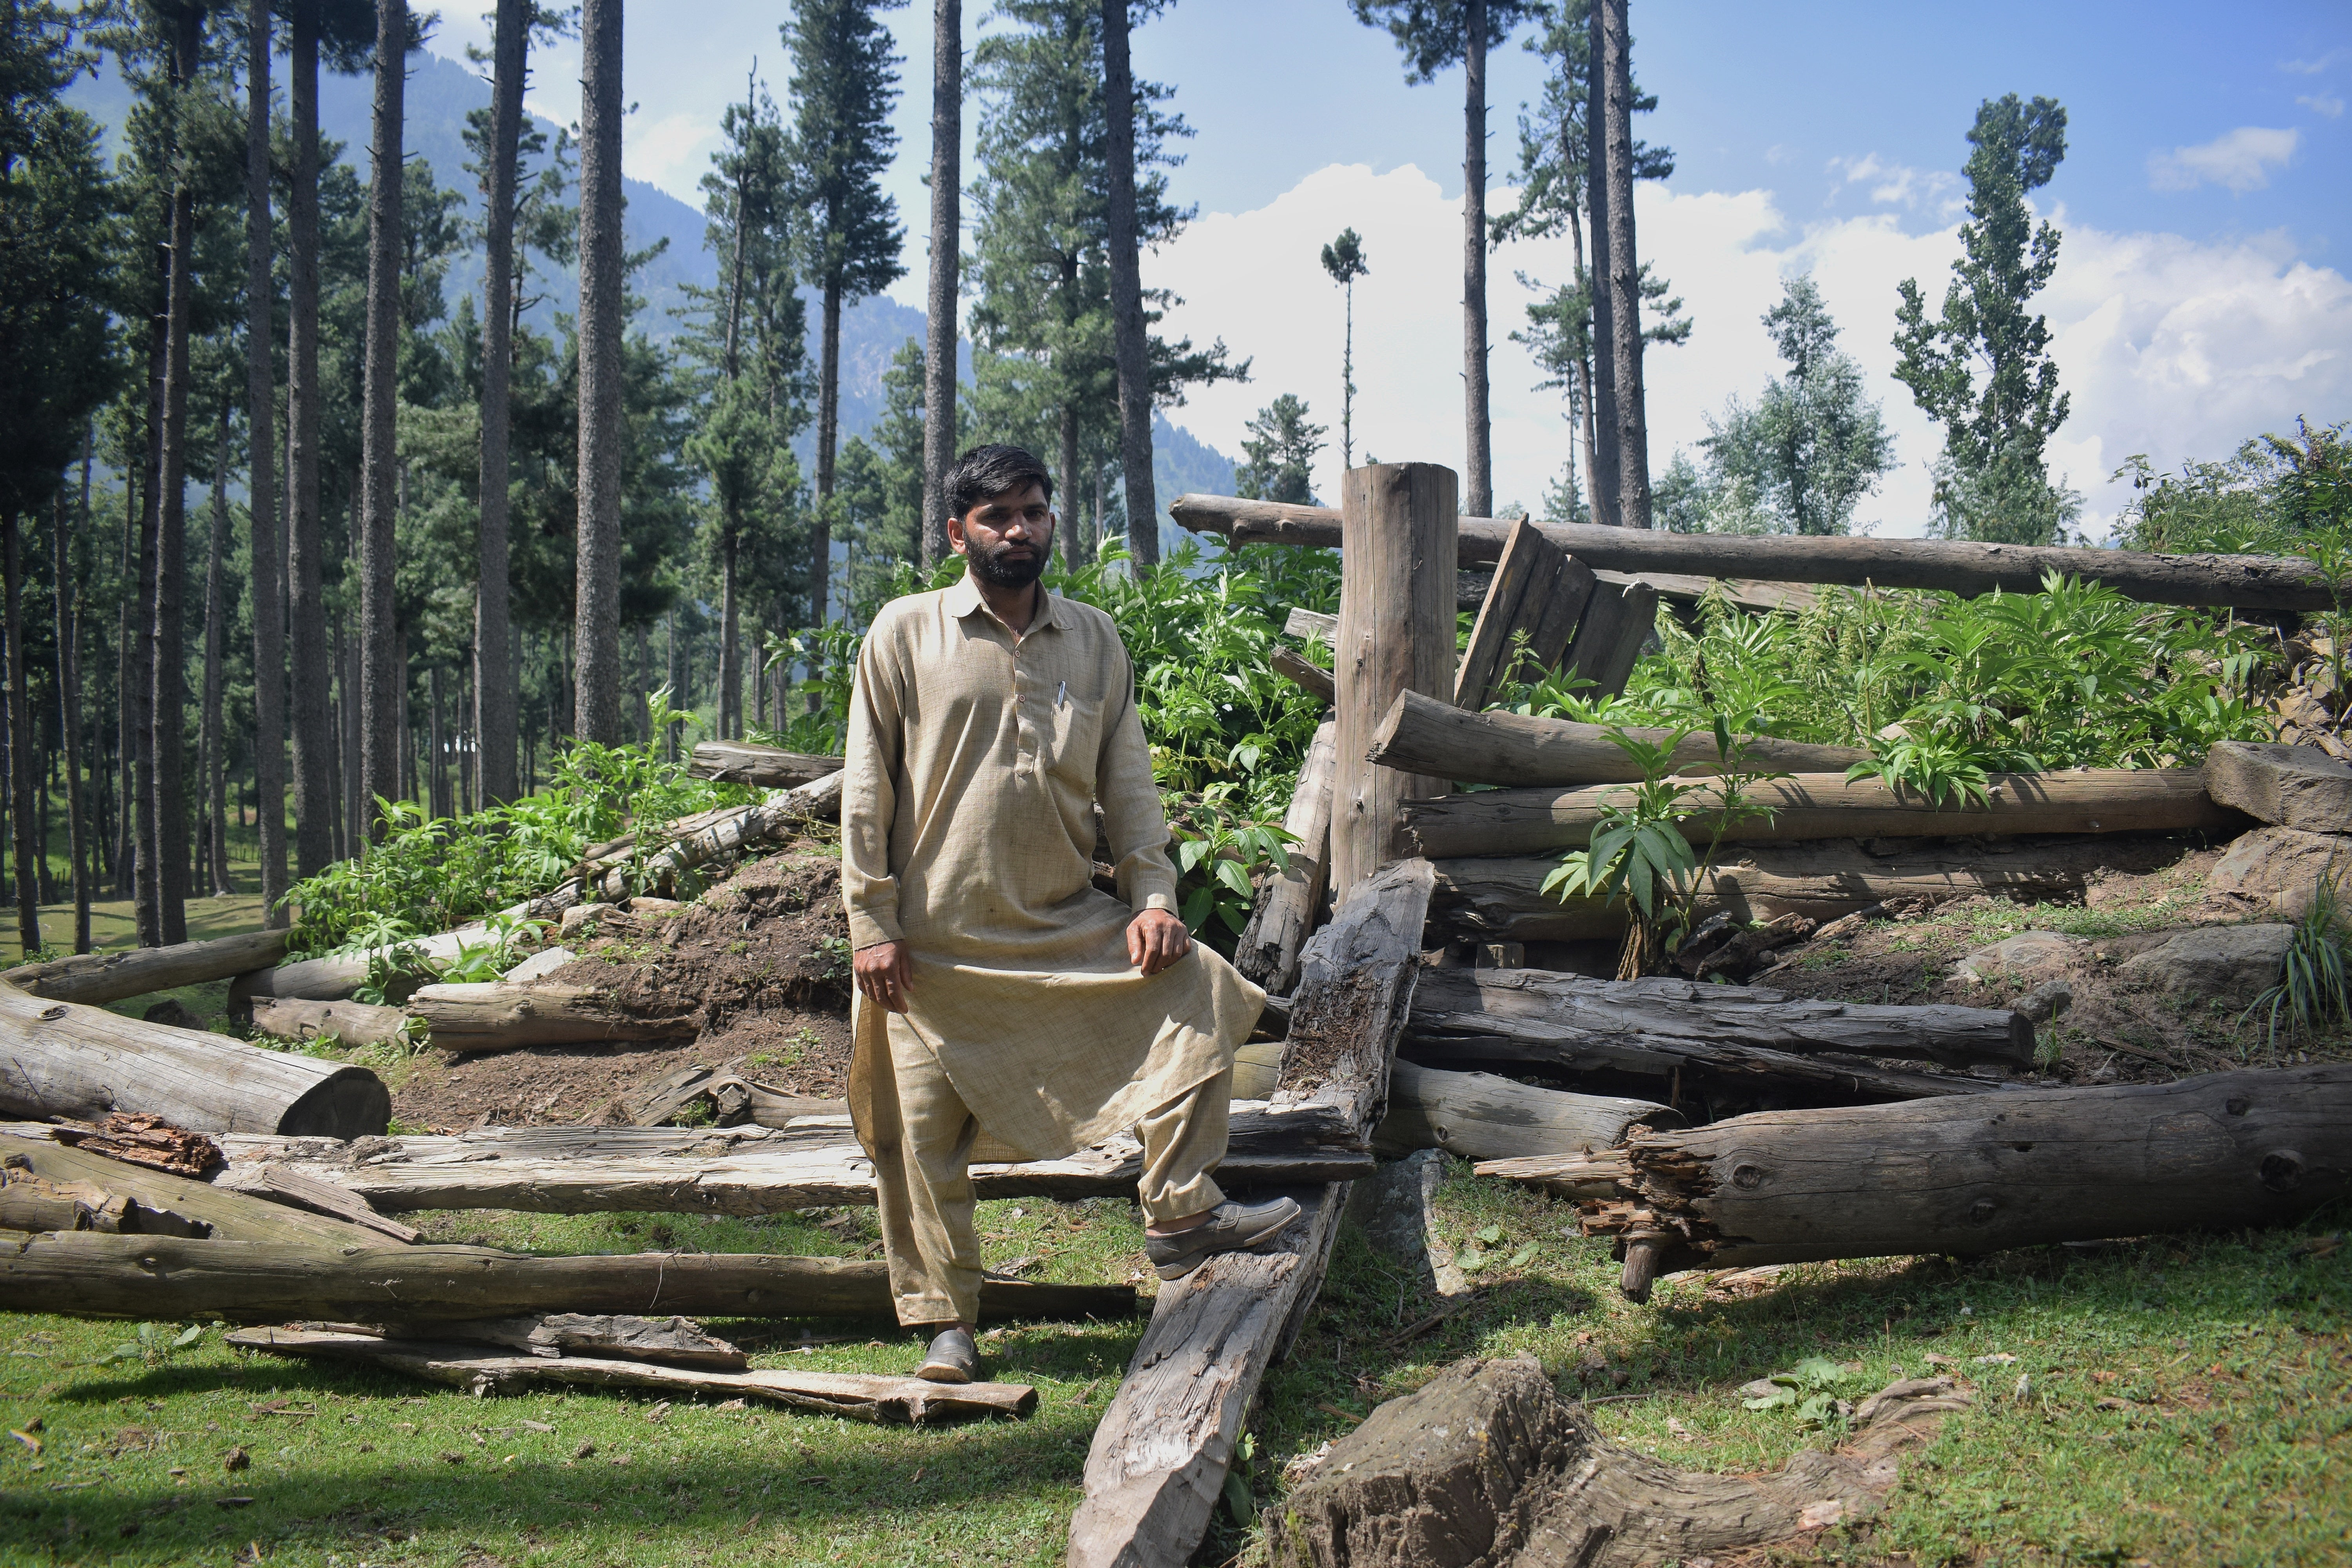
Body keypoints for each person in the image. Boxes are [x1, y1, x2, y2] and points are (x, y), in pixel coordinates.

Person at [841, 443, 1298, 1385]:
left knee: (1202, 988)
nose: (1019, 529)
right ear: (957, 529)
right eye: (998, 515)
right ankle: (946, 1324)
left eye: (1034, 511)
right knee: (919, 1143)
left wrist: (1156, 897)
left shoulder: (1094, 640)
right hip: (931, 944)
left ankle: (1180, 1211)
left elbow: (1131, 793)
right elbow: (864, 791)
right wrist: (872, 923)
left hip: (1060, 925)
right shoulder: (904, 633)